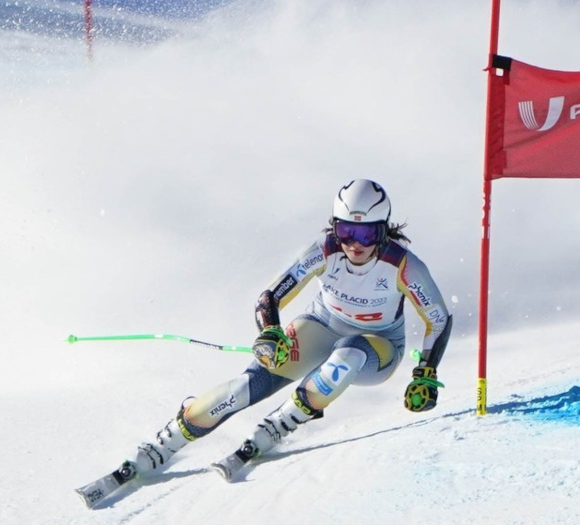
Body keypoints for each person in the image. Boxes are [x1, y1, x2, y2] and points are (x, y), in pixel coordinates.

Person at [124, 179, 452, 475]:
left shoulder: (403, 265)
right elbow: (271, 295)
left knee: (347, 354)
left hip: (376, 348)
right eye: (346, 232)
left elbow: (437, 318)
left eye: (366, 233)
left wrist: (426, 372)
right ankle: (168, 439)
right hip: (321, 328)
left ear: (383, 230)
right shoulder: (324, 251)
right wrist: (270, 332)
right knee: (246, 386)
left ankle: (283, 422)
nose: (355, 244)